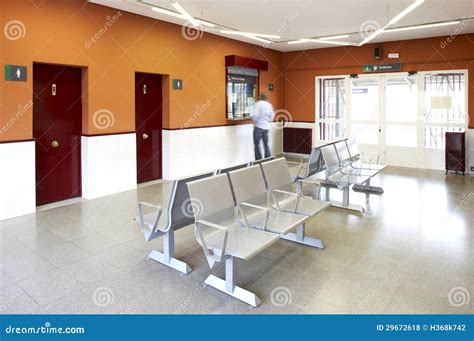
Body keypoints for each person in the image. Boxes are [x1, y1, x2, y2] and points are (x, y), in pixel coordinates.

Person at [252, 93, 274, 160]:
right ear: (266, 98)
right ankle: (268, 159)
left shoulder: (258, 104)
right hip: (266, 127)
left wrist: (254, 120)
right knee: (266, 144)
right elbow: (272, 117)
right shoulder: (269, 105)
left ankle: (258, 160)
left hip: (258, 126)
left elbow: (255, 115)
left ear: (259, 97)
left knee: (257, 145)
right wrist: (267, 121)